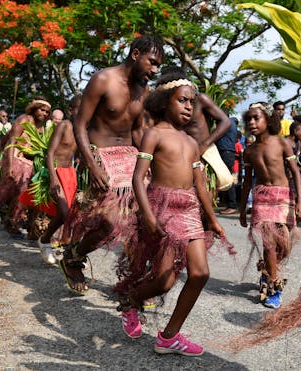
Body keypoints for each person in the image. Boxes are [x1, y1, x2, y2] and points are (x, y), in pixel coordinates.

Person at [114, 72, 227, 356]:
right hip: (163, 207)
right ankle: (130, 300)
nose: (189, 107)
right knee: (164, 280)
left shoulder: (191, 143)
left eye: (192, 102)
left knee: (200, 273)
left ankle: (169, 336)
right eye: (182, 101)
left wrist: (211, 219)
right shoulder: (154, 134)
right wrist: (149, 215)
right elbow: (138, 178)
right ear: (165, 102)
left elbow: (200, 185)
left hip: (189, 209)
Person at [59, 35, 164, 294]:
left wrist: (147, 162)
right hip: (101, 157)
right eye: (152, 62)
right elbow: (80, 125)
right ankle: (73, 256)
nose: (154, 70)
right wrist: (91, 165)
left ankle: (135, 277)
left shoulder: (144, 90)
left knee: (145, 221)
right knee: (109, 223)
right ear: (135, 54)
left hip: (130, 158)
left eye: (158, 65)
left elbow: (138, 131)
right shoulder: (103, 80)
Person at [239, 102, 301, 309]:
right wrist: (242, 209)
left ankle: (268, 273)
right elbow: (247, 182)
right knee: (268, 245)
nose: (251, 122)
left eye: (256, 118)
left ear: (268, 120)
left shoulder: (283, 143)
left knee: (282, 246)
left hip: (284, 197)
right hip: (262, 198)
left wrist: (300, 202)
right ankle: (274, 289)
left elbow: (295, 173)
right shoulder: (249, 151)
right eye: (248, 118)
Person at [0, 97, 51, 235]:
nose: (45, 114)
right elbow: (10, 141)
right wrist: (7, 165)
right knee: (21, 191)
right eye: (42, 110)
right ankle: (12, 221)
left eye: (47, 112)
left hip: (29, 163)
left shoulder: (42, 127)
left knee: (27, 193)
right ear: (35, 108)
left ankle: (15, 218)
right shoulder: (24, 119)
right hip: (15, 158)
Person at [37, 96, 81, 265]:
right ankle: (45, 240)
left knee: (69, 214)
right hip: (56, 171)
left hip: (70, 173)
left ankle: (60, 244)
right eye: (78, 109)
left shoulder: (81, 130)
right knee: (64, 212)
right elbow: (50, 153)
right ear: (70, 110)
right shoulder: (64, 125)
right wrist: (53, 178)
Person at [217, 116, 239, 214]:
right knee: (225, 177)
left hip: (225, 152)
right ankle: (226, 202)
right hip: (228, 152)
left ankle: (232, 205)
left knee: (228, 178)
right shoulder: (231, 123)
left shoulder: (226, 122)